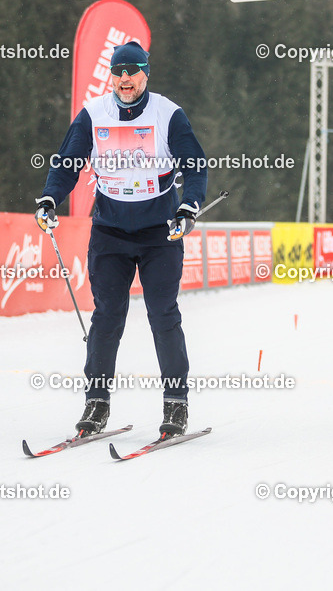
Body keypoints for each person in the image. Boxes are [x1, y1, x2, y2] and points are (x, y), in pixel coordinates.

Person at [35, 41, 207, 439]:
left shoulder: (168, 114)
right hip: (110, 232)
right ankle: (96, 403)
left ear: (146, 73)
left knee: (163, 314)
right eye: (119, 71)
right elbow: (67, 163)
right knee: (107, 317)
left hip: (159, 233)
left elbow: (195, 165)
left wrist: (189, 206)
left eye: (133, 71)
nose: (125, 79)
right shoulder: (94, 114)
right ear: (112, 75)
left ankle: (176, 404)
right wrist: (49, 197)